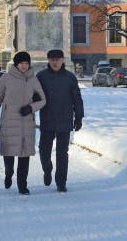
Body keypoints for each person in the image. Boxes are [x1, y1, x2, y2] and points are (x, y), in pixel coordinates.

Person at [0, 51, 46, 195]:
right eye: (21, 63)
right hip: (8, 121)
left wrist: (31, 108)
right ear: (16, 64)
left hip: (26, 122)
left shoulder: (33, 80)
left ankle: (22, 185)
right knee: (9, 153)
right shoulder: (6, 78)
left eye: (27, 63)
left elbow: (43, 100)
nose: (24, 66)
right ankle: (8, 174)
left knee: (24, 155)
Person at [36, 49, 84, 192]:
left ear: (62, 60)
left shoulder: (70, 77)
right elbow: (34, 97)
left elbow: (77, 98)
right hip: (47, 119)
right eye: (52, 60)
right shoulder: (41, 76)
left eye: (58, 59)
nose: (55, 62)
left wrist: (79, 116)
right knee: (44, 150)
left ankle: (61, 182)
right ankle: (47, 169)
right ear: (48, 61)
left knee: (62, 153)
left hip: (65, 119)